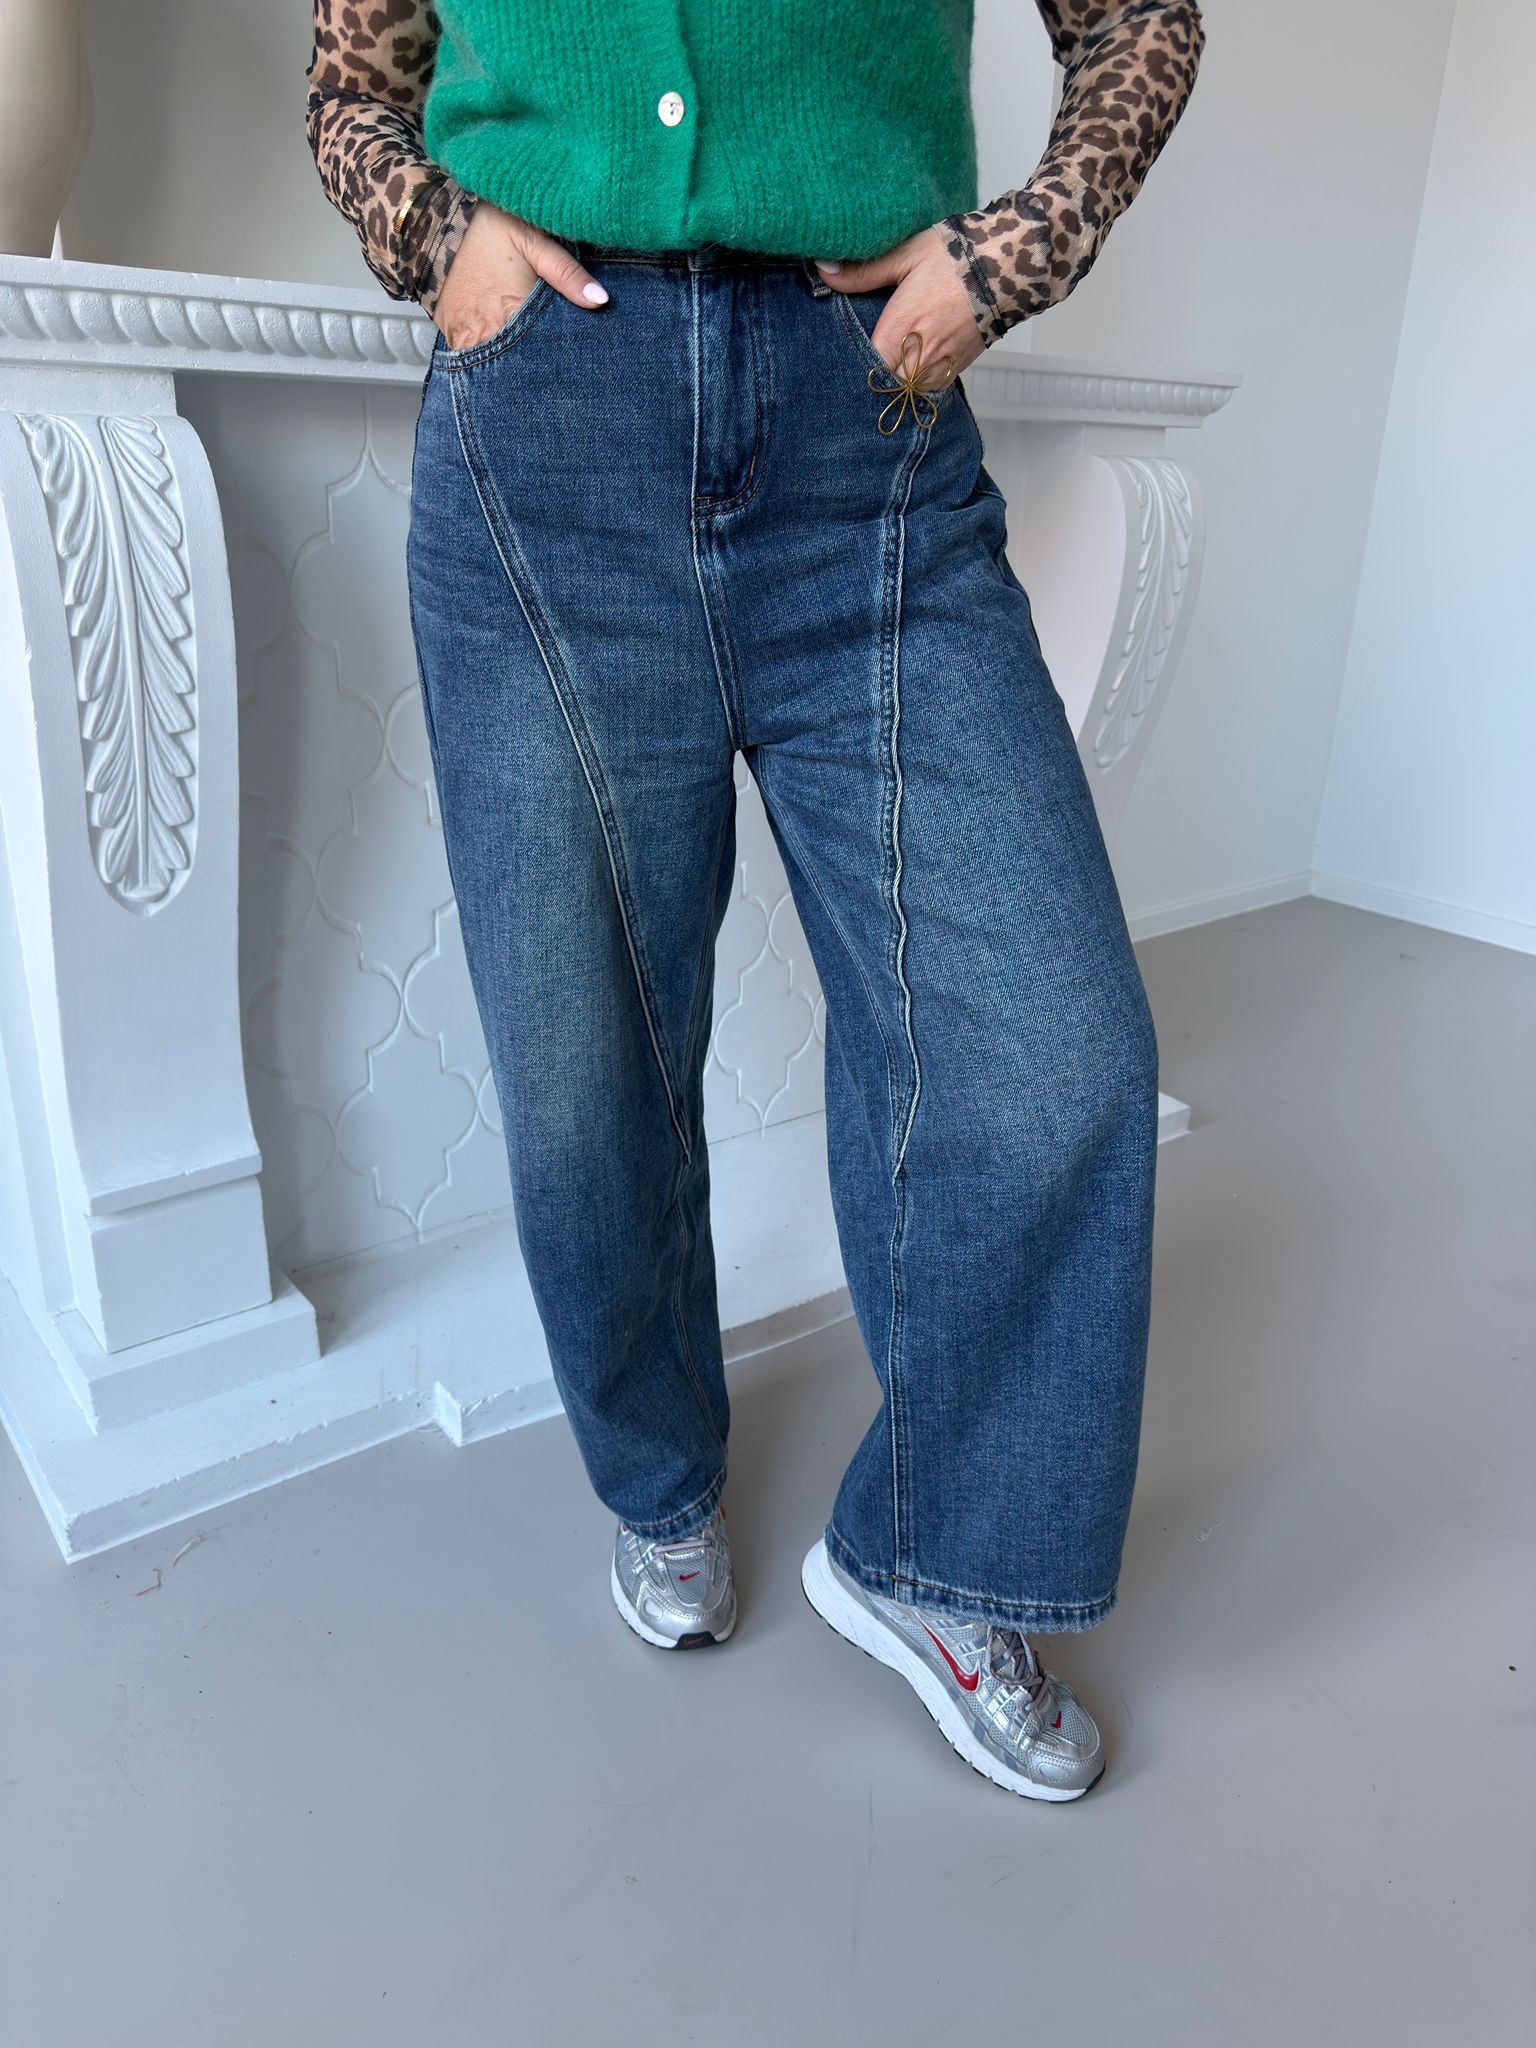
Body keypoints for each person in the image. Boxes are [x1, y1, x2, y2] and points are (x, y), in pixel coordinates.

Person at [306, 0, 1205, 1801]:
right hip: (547, 435)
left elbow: (1140, 21)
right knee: (587, 1066)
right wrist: (440, 241)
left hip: (868, 440)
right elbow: (351, 82)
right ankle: (658, 1481)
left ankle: (936, 1556)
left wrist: (1010, 255)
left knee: (1051, 1056)